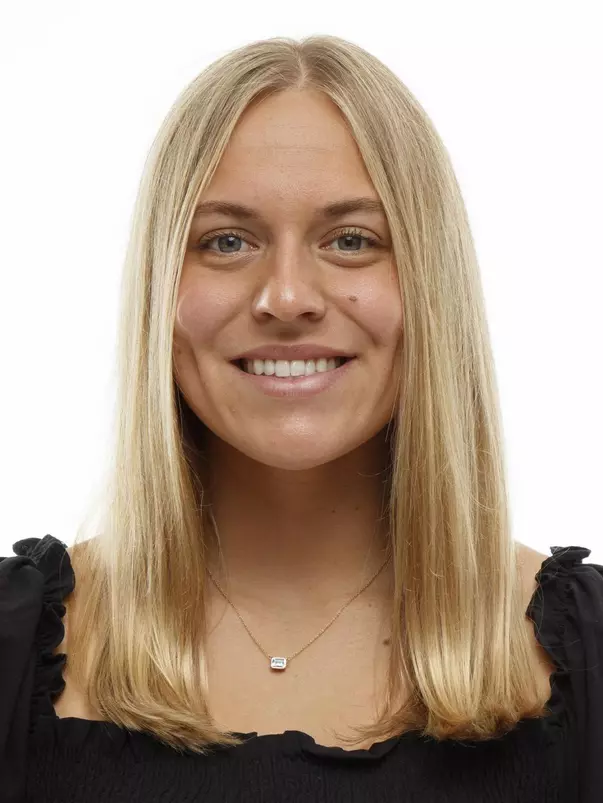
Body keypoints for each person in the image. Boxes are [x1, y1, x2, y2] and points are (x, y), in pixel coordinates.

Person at [1, 33, 601, 803]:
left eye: (351, 240)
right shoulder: (16, 645)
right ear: (162, 288)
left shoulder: (584, 652)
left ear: (430, 284)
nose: (286, 296)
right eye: (226, 241)